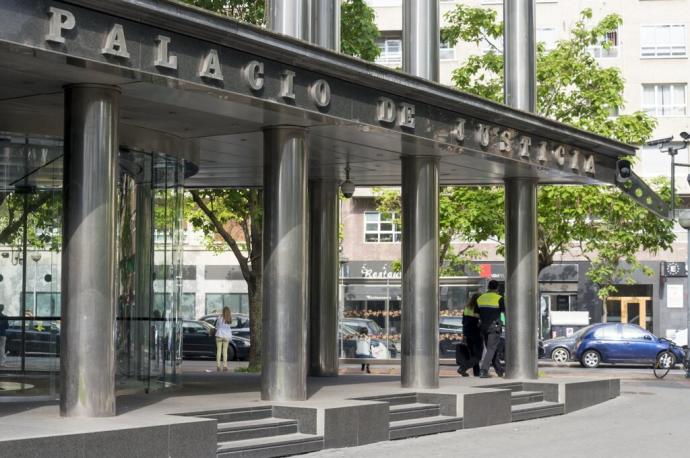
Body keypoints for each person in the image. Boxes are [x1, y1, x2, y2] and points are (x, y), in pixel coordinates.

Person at [477, 280, 505, 378]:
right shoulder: (499, 298)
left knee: (492, 349)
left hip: (483, 327)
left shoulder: (481, 298)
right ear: (497, 288)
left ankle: (499, 370)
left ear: (488, 287)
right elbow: (504, 311)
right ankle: (484, 370)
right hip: (494, 327)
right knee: (491, 349)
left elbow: (477, 313)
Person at [457, 293, 482, 377]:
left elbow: (463, 322)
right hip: (476, 333)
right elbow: (480, 321)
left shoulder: (467, 307)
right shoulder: (478, 308)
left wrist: (464, 334)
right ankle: (463, 368)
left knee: (473, 354)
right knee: (478, 356)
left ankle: (477, 373)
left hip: (467, 333)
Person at [215, 307, 233, 372]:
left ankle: (218, 366)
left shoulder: (220, 317)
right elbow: (230, 326)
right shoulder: (229, 318)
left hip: (219, 335)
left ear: (223, 311)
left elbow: (216, 326)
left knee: (219, 351)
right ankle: (225, 366)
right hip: (226, 336)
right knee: (225, 351)